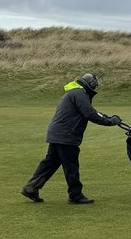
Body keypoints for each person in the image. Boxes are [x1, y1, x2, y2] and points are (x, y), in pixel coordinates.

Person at [21, 73, 122, 204]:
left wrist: (108, 117)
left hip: (58, 134)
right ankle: (75, 195)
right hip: (66, 135)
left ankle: (31, 188)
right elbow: (90, 113)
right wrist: (110, 122)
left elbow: (91, 111)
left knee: (50, 163)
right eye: (95, 83)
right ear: (91, 84)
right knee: (71, 166)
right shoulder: (80, 94)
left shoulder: (75, 92)